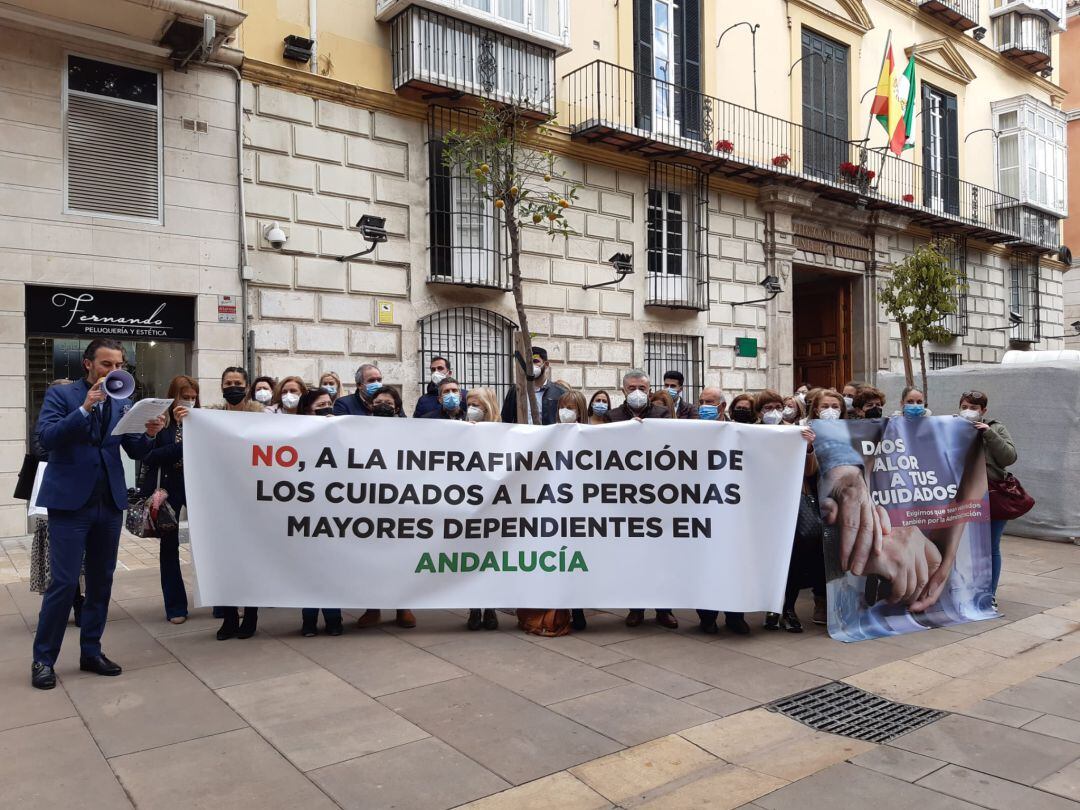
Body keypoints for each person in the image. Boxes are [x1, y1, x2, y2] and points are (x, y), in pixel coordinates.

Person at [30, 338, 165, 690]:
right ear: (88, 364)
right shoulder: (63, 396)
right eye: (107, 364)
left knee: (101, 581)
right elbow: (46, 438)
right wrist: (84, 410)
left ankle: (91, 651)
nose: (114, 371)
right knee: (63, 583)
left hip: (108, 502)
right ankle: (43, 659)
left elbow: (134, 449)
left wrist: (150, 433)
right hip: (70, 503)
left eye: (119, 364)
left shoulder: (123, 401)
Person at [606, 370, 676, 629]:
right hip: (625, 498)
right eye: (632, 387)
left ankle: (664, 609)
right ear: (623, 390)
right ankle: (635, 608)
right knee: (632, 556)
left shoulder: (662, 415)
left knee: (661, 555)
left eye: (643, 388)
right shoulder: (612, 417)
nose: (638, 392)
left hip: (658, 496)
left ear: (649, 389)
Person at [139, 375, 199, 625]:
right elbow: (148, 456)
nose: (190, 402)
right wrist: (183, 444)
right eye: (185, 397)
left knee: (209, 546)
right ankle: (175, 605)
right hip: (169, 491)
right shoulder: (161, 421)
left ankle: (220, 603)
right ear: (174, 396)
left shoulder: (201, 420)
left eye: (194, 397)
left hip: (198, 488)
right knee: (169, 548)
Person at [355, 385, 416, 630]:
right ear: (370, 405)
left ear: (397, 408)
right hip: (370, 505)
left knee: (401, 558)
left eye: (389, 404)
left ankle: (404, 608)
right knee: (372, 559)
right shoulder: (356, 430)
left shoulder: (411, 432)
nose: (384, 406)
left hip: (401, 504)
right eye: (379, 401)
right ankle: (373, 607)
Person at [210, 367, 263, 638]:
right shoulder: (210, 415)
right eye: (228, 383)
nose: (233, 387)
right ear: (221, 387)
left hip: (253, 498)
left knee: (251, 558)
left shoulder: (260, 414)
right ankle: (229, 618)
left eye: (238, 383)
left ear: (247, 385)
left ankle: (250, 616)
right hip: (221, 498)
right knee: (224, 560)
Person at [27, 380, 84, 628]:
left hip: (79, 494)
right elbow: (42, 449)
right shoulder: (47, 421)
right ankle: (59, 606)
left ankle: (78, 602)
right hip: (55, 495)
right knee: (57, 561)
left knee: (79, 561)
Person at [765, 425, 825, 632]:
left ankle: (787, 608)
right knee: (769, 560)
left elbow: (810, 470)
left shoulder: (798, 435)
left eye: (776, 407)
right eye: (767, 407)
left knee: (794, 559)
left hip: (795, 505)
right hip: (765, 506)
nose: (773, 411)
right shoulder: (759, 434)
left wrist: (808, 448)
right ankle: (770, 607)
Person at [959, 390, 1016, 607]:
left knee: (991, 546)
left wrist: (989, 433)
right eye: (965, 406)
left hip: (992, 494)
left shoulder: (996, 427)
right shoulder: (953, 426)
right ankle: (966, 589)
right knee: (965, 546)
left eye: (974, 408)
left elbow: (1009, 457)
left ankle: (988, 593)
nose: (968, 411)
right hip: (965, 495)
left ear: (984, 411)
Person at [295, 388, 344, 636]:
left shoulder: (342, 432)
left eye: (329, 404)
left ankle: (334, 618)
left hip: (335, 509)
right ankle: (309, 620)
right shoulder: (296, 433)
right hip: (306, 508)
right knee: (309, 567)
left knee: (331, 566)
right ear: (307, 410)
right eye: (320, 406)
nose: (327, 409)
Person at [461, 386, 501, 631]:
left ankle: (490, 608)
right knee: (471, 559)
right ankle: (474, 608)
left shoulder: (504, 430)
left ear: (488, 406)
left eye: (478, 405)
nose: (473, 409)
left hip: (494, 504)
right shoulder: (460, 428)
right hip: (468, 503)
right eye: (470, 404)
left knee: (491, 560)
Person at [501, 347, 566, 425]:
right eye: (528, 362)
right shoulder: (515, 391)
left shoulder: (559, 393)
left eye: (535, 361)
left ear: (546, 364)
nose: (531, 365)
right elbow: (505, 421)